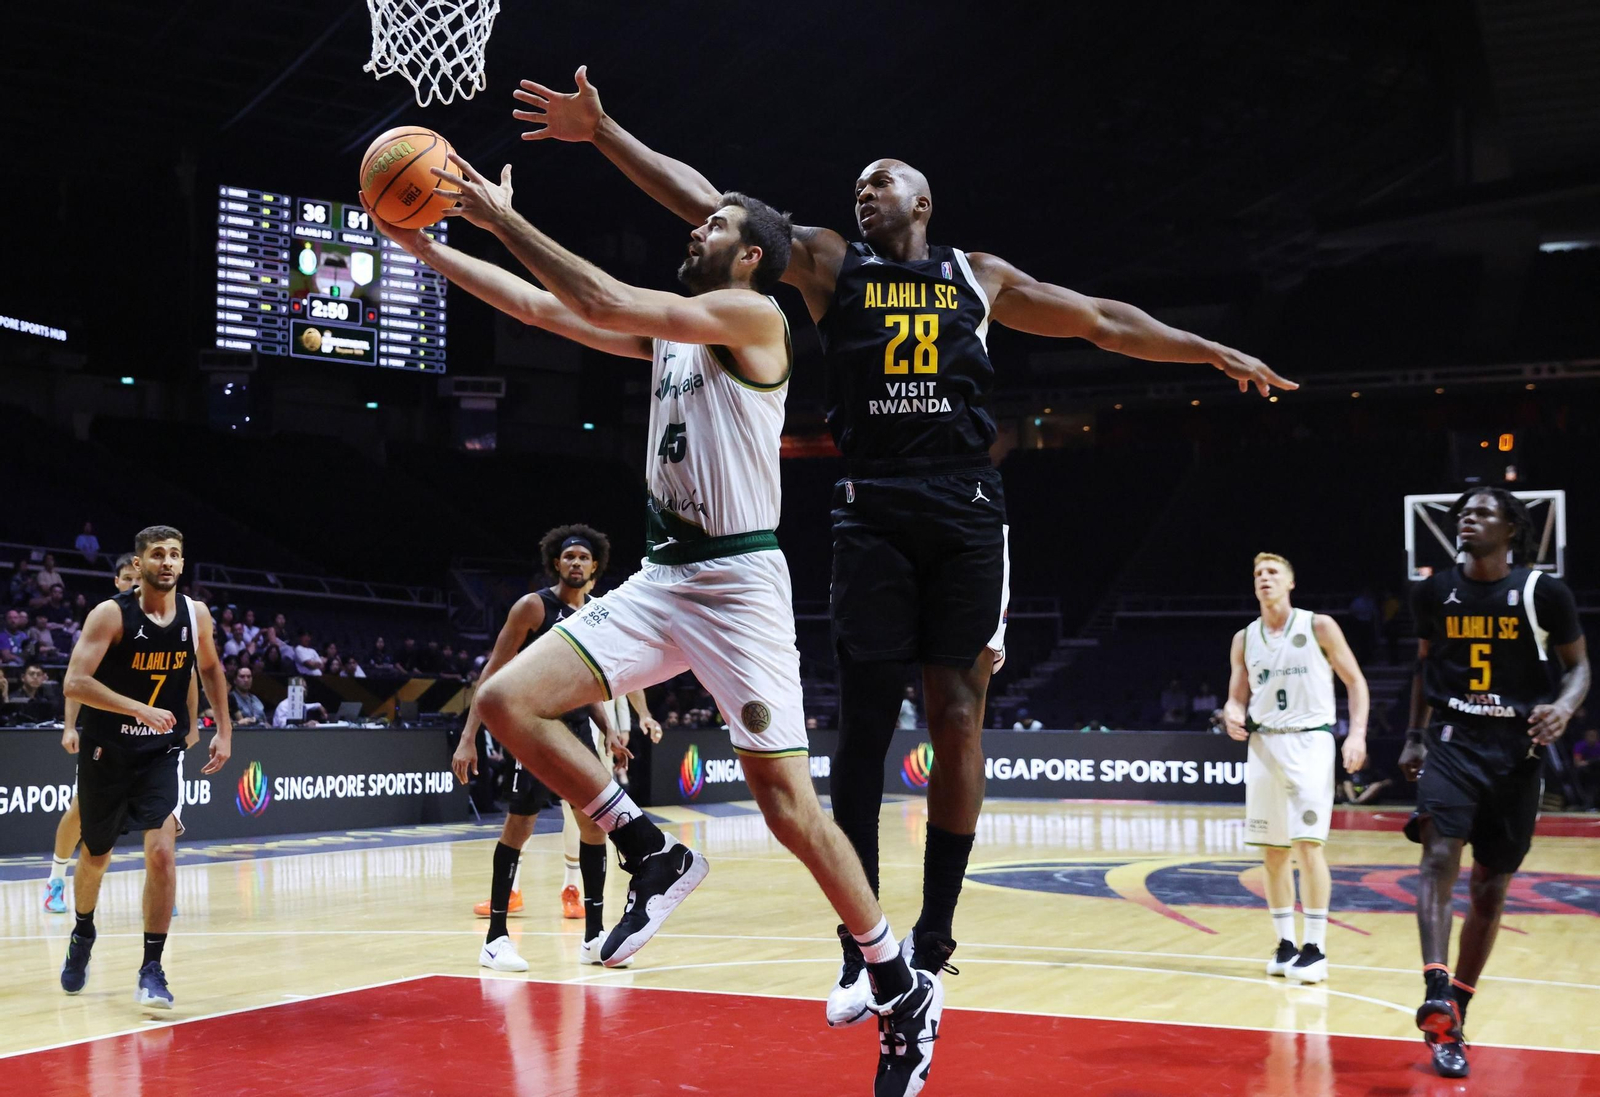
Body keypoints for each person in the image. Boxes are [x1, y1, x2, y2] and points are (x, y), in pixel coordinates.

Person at [514, 74, 1296, 1010]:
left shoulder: (980, 275)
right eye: (858, 183)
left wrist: (1206, 348)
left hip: (966, 506)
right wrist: (604, 134)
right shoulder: (828, 265)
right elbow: (716, 207)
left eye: (881, 180)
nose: (864, 189)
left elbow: (1102, 320)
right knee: (867, 725)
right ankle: (863, 942)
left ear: (923, 202)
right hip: (871, 507)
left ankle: (937, 931)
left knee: (959, 711)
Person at [369, 151, 941, 1093]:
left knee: (788, 809)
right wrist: (430, 249)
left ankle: (894, 978)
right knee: (511, 702)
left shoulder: (757, 318)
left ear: (753, 255)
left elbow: (594, 295)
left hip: (741, 584)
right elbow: (545, 308)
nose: (695, 229)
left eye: (713, 225)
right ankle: (651, 849)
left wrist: (496, 216)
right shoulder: (675, 333)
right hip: (665, 576)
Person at [1399, 489, 1589, 1078]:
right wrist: (1413, 735)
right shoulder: (1433, 591)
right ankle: (1435, 986)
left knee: (1489, 887)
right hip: (1453, 740)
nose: (1467, 519)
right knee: (1437, 856)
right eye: (1463, 513)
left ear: (1511, 528)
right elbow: (1426, 663)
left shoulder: (1543, 593)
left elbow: (1579, 667)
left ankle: (1455, 1011)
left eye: (1482, 513)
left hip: (1517, 754)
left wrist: (1563, 707)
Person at [450, 525, 653, 963]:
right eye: (569, 557)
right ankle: (495, 939)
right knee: (519, 827)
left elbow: (585, 687)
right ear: (556, 563)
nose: (576, 563)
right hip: (534, 730)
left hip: (577, 730)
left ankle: (594, 938)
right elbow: (491, 676)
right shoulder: (533, 608)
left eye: (584, 557)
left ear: (595, 566)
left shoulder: (595, 614)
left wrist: (609, 730)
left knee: (594, 827)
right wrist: (469, 738)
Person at [58, 525, 232, 1009]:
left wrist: (223, 729)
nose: (168, 562)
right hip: (106, 751)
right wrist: (137, 708)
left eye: (176, 554)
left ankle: (152, 967)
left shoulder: (196, 615)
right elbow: (75, 682)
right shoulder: (110, 614)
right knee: (95, 857)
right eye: (158, 554)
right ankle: (83, 931)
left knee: (162, 855)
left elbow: (212, 669)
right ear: (138, 564)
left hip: (162, 752)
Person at [1224, 552, 1368, 986]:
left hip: (1310, 740)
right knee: (1272, 852)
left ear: (1290, 583)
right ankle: (1286, 943)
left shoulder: (1318, 625)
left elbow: (1356, 682)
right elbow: (1236, 694)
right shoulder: (1244, 638)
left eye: (1272, 573)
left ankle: (1316, 947)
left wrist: (1356, 734)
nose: (1264, 579)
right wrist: (1232, 710)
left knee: (1308, 846)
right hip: (1264, 743)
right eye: (1258, 574)